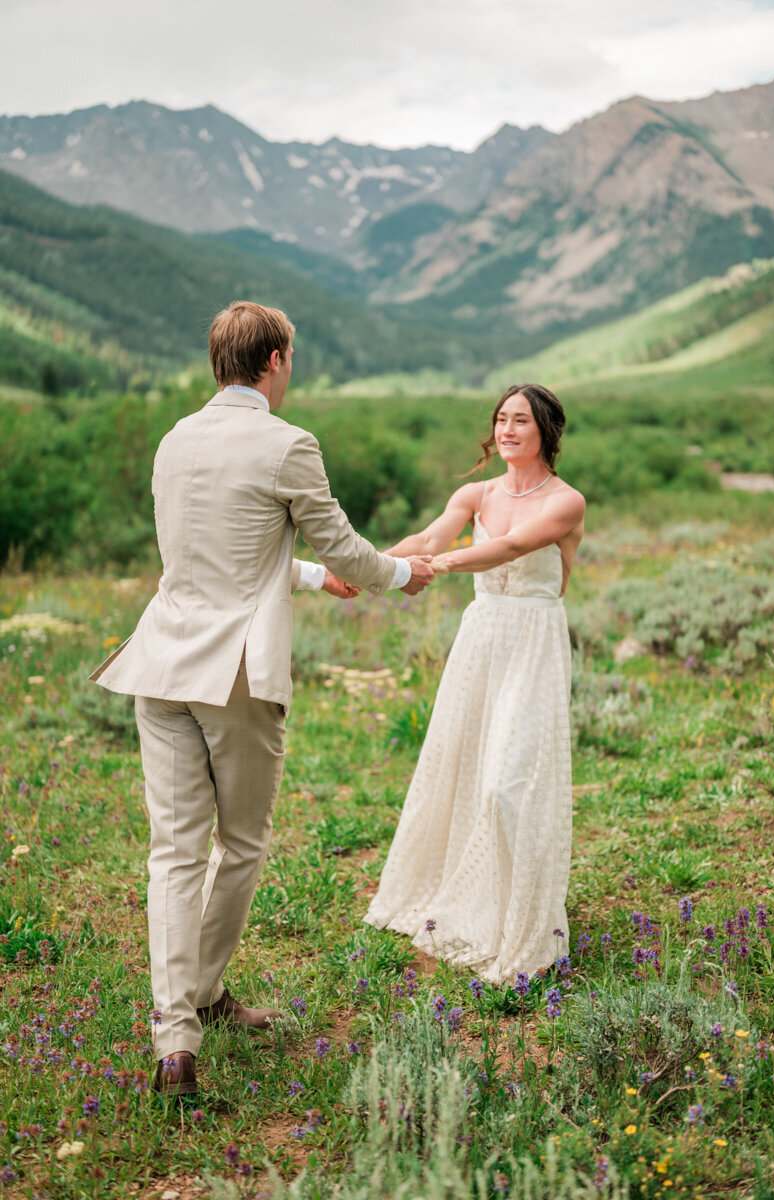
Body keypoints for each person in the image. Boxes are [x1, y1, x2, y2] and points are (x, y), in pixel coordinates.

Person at [90, 301, 435, 1096]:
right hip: (235, 673)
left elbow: (220, 553)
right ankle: (203, 996)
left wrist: (317, 581)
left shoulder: (175, 439)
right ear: (274, 360)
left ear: (220, 360)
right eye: (290, 357)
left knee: (173, 852)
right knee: (240, 843)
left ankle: (176, 1040)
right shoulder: (288, 444)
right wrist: (398, 573)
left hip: (160, 659)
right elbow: (340, 542)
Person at [365, 383, 585, 983]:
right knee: (460, 768)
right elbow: (428, 540)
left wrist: (437, 567)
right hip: (482, 636)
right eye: (501, 418)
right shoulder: (475, 492)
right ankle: (462, 899)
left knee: (507, 784)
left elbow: (509, 548)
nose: (509, 429)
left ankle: (521, 922)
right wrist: (372, 566)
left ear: (546, 431)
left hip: (533, 643)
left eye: (522, 420)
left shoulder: (566, 502)